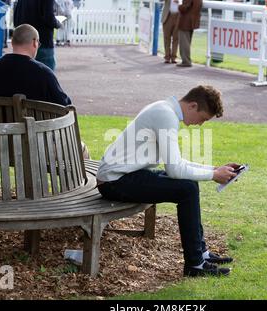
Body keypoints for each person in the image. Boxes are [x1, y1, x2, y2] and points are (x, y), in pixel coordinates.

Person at [96, 85, 238, 277]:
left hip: (124, 175)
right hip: (114, 181)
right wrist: (214, 175)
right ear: (193, 106)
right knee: (186, 189)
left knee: (189, 185)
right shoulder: (166, 115)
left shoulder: (165, 109)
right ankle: (195, 265)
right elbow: (175, 169)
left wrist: (213, 169)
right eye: (203, 118)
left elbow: (177, 163)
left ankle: (201, 255)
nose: (201, 124)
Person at [0, 24, 71, 106]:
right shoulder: (43, 73)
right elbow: (64, 105)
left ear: (12, 42)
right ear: (35, 43)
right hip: (33, 123)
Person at [13, 0, 62, 71]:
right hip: (42, 40)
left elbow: (16, 19)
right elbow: (49, 17)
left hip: (23, 41)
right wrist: (57, 23)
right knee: (46, 75)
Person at [177, 0, 202, 67]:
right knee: (187, 42)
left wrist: (178, 5)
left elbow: (185, 7)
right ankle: (186, 60)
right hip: (192, 21)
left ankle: (186, 61)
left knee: (184, 43)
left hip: (185, 21)